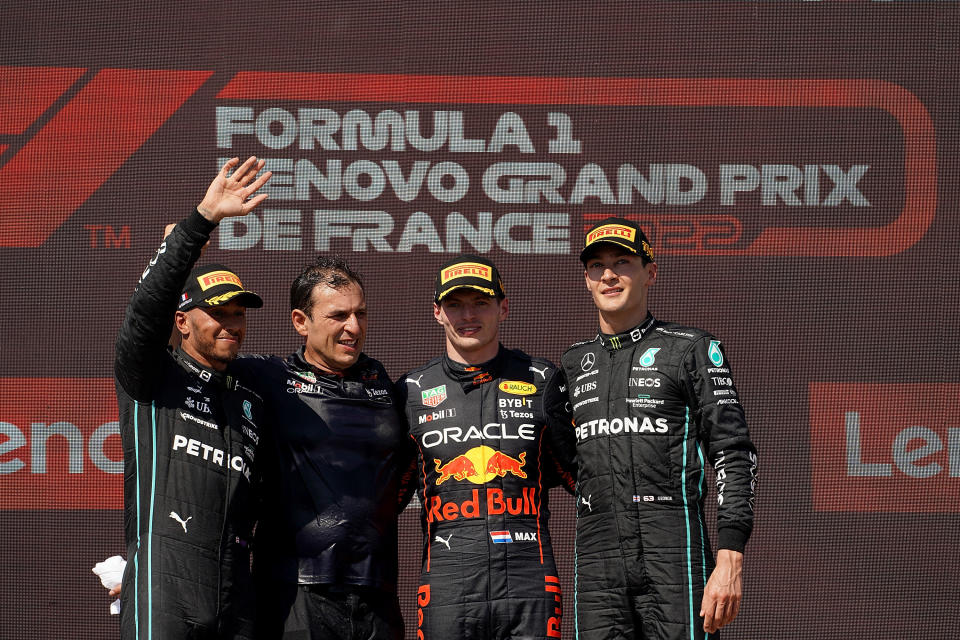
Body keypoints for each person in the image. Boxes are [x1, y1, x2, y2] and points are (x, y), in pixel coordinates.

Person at [549, 217, 759, 640]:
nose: (609, 274)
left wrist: (730, 556)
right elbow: (569, 462)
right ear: (586, 279)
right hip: (598, 557)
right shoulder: (572, 365)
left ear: (651, 272)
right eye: (597, 266)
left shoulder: (691, 348)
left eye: (622, 262)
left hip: (675, 550)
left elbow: (734, 452)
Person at [114, 156, 271, 639]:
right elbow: (147, 311)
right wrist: (202, 221)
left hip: (235, 596)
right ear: (182, 321)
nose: (231, 323)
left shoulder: (252, 400)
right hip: (165, 588)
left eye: (239, 313)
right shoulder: (152, 375)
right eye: (217, 312)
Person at [231, 256, 412, 640]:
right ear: (301, 321)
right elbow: (169, 359)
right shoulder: (267, 378)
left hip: (376, 591)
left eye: (361, 313)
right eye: (338, 316)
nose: (354, 327)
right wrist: (178, 263)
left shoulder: (383, 383)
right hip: (293, 592)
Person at [395, 255, 575, 640]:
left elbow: (583, 478)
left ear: (503, 308)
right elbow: (385, 500)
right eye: (455, 304)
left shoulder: (542, 380)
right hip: (447, 582)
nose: (467, 315)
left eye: (480, 303)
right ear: (437, 313)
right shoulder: (412, 391)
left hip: (529, 580)